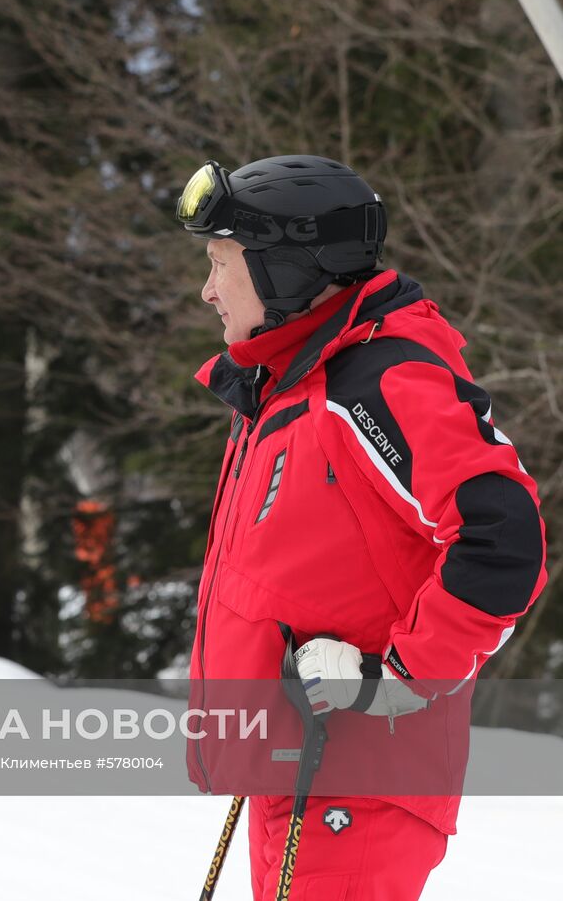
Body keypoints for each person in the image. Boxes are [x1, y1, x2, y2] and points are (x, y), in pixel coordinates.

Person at [175, 155, 546, 899]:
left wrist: (397, 681)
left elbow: (503, 543)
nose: (209, 289)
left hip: (355, 788)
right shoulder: (290, 384)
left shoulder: (375, 383)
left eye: (222, 264)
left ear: (285, 268)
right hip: (298, 772)